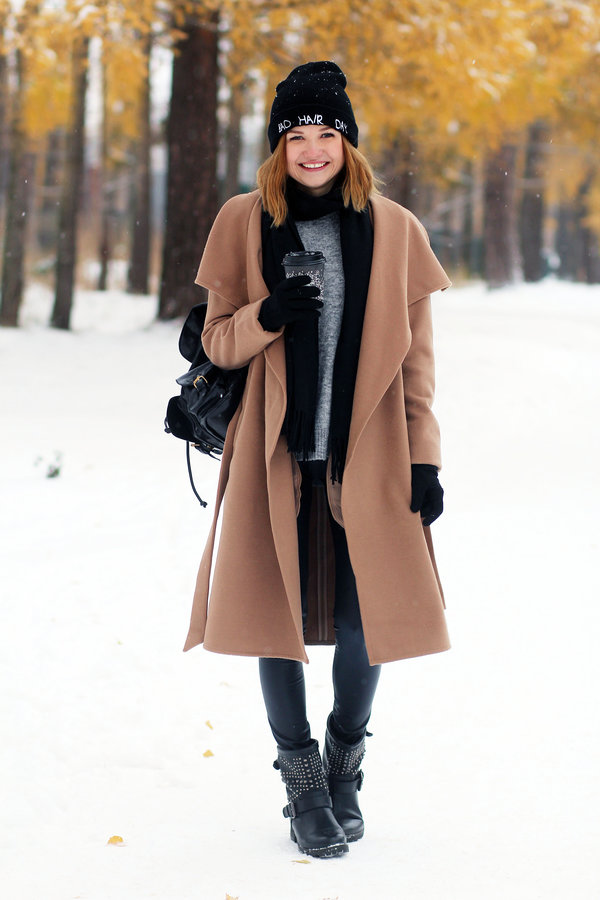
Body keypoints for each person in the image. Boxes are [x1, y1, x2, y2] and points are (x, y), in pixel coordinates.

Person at [183, 60, 451, 858]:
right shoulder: (243, 221)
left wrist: (426, 461)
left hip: (367, 457)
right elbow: (215, 342)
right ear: (278, 146)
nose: (311, 150)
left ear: (347, 143)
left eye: (325, 135)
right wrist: (268, 314)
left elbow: (416, 365)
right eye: (296, 136)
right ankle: (302, 781)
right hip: (274, 456)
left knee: (371, 619)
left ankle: (344, 760)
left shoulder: (395, 230)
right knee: (275, 620)